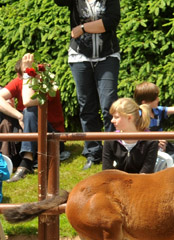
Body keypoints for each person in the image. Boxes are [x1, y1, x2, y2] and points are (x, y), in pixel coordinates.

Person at [54, 0, 121, 170]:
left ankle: (113, 151)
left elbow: (110, 21)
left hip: (107, 55)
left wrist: (82, 28)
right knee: (87, 106)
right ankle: (93, 152)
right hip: (80, 56)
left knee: (109, 105)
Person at [103, 97, 158, 240]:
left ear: (129, 118)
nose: (112, 120)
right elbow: (106, 172)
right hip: (116, 190)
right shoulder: (111, 139)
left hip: (141, 190)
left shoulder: (149, 140)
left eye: (116, 116)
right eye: (112, 116)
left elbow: (146, 173)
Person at [0, 54, 68, 183]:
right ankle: (7, 158)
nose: (35, 76)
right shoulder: (18, 81)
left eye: (32, 72)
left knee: (30, 111)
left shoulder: (47, 83)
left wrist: (28, 76)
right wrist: (18, 116)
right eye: (26, 73)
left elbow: (27, 101)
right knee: (6, 117)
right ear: (19, 76)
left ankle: (27, 161)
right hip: (29, 132)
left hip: (51, 136)